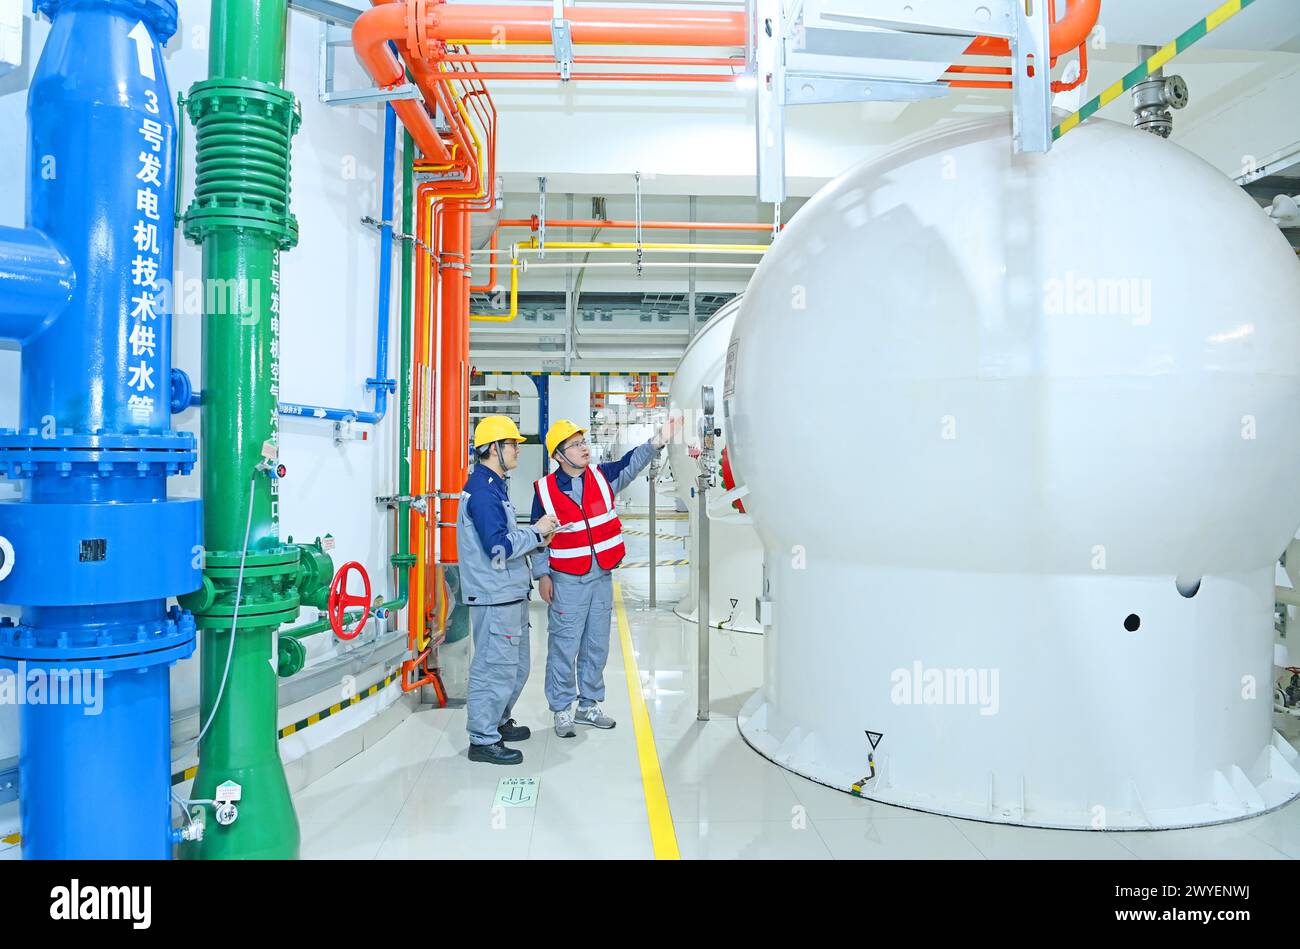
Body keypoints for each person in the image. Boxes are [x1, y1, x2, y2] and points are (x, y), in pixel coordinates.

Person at [532, 414, 684, 738]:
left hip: (601, 576)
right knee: (564, 646)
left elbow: (632, 463)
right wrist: (542, 576)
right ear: (559, 456)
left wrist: (658, 440)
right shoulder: (544, 491)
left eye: (583, 442)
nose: (583, 448)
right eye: (574, 445)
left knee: (596, 645)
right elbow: (539, 538)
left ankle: (588, 705)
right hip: (567, 580)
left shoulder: (602, 477)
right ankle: (561, 708)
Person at [458, 415, 558, 765]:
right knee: (493, 667)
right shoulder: (484, 493)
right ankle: (483, 739)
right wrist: (536, 532)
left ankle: (497, 721)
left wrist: (538, 538)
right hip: (493, 595)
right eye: (512, 444)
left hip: (508, 593)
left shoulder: (495, 486)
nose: (517, 448)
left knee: (514, 668)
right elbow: (496, 547)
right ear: (493, 449)